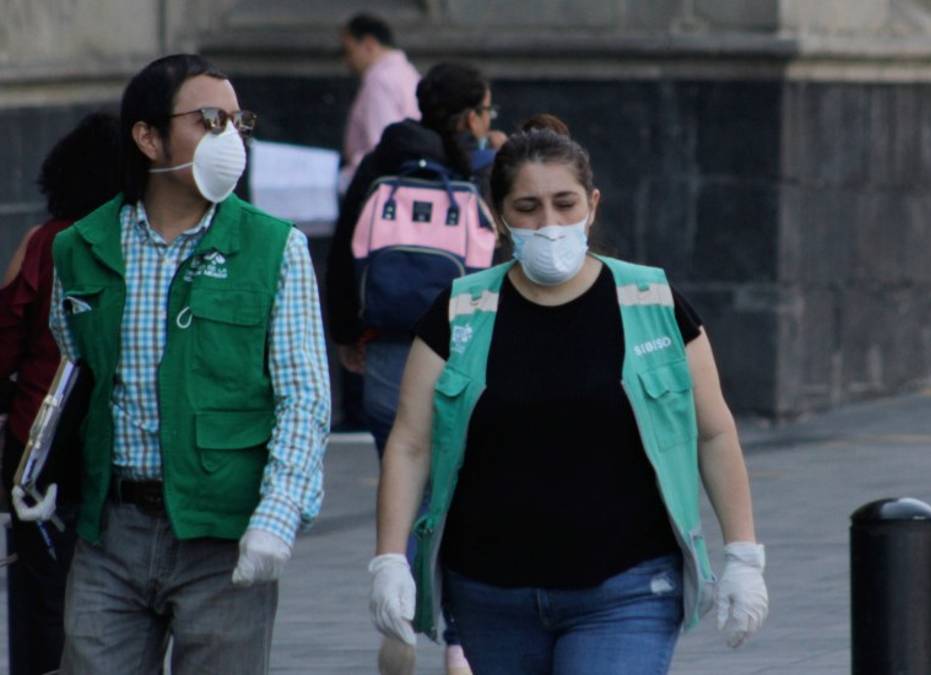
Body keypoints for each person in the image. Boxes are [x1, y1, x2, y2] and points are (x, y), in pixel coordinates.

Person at [368, 115, 769, 674]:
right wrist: (389, 559)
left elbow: (714, 431)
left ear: (592, 205)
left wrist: (743, 555)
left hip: (628, 588)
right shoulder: (459, 312)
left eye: (565, 203)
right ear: (498, 215)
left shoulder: (652, 301)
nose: (549, 224)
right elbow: (411, 442)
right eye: (527, 208)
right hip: (490, 595)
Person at [41, 54, 329, 674]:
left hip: (224, 534)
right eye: (209, 121)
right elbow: (73, 371)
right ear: (148, 138)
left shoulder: (275, 247)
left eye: (237, 122)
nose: (231, 139)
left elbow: (304, 396)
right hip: (110, 533)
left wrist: (277, 516)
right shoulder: (80, 247)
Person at [328, 59, 503, 675]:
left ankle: (398, 613)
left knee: (400, 482)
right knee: (455, 495)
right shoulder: (477, 170)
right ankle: (459, 642)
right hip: (459, 350)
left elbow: (343, 250)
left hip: (386, 349)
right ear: (469, 117)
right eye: (487, 110)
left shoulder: (382, 161)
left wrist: (347, 334)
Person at [0, 112, 121, 675]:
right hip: (117, 440)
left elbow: (4, 342)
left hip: (40, 443)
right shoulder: (137, 247)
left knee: (41, 595)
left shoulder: (43, 243)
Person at [339, 12, 422, 192]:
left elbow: (381, 145)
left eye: (348, 51)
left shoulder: (380, 81)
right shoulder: (406, 72)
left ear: (369, 44)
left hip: (376, 185)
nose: (347, 61)